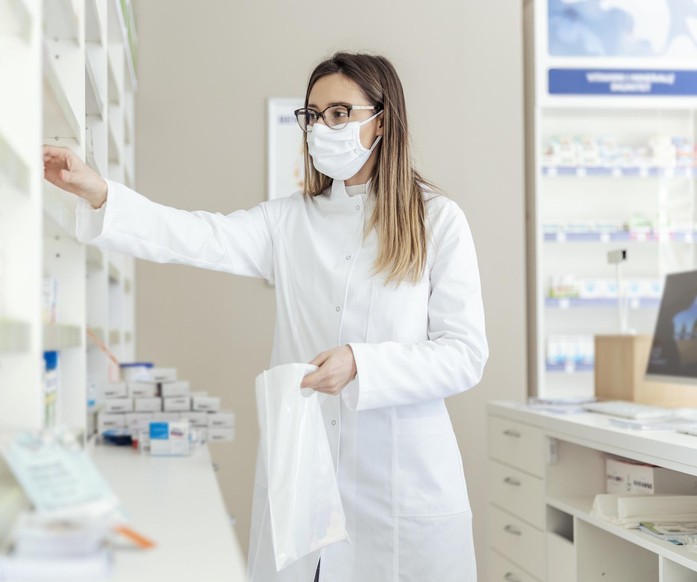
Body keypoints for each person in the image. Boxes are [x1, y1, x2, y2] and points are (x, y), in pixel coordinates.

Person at [43, 51, 488, 582]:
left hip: (402, 488)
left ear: (382, 122)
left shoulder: (437, 220)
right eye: (313, 114)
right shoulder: (289, 222)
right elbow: (195, 235)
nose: (323, 127)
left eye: (340, 113)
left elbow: (464, 355)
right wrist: (100, 193)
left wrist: (362, 365)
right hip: (305, 483)